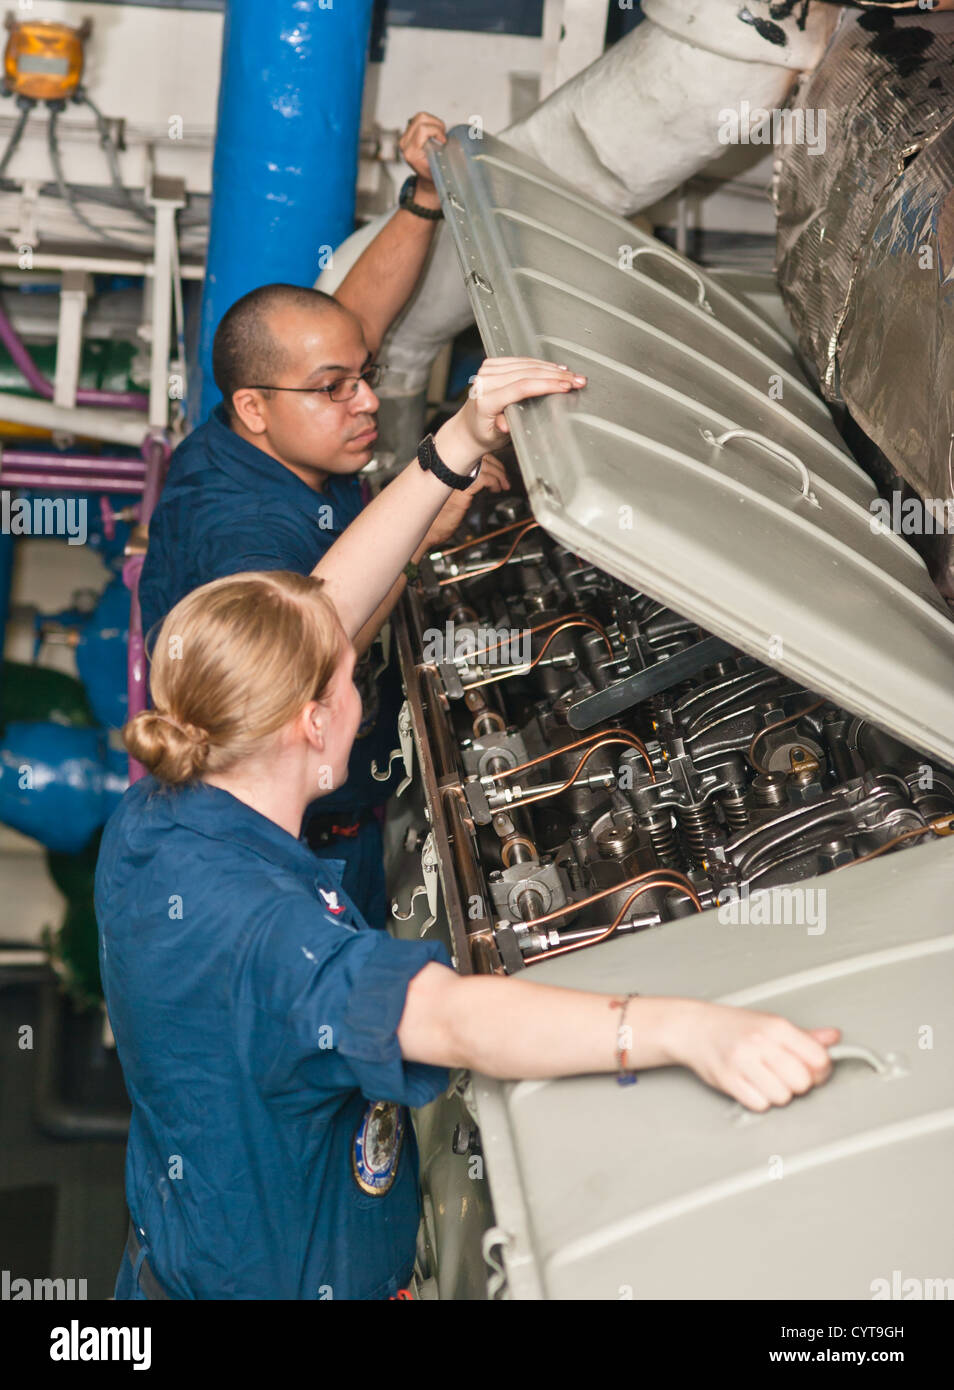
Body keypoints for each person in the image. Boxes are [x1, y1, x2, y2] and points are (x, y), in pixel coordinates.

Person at [97, 360, 841, 1299]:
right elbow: (454, 1017)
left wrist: (457, 443)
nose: (356, 677)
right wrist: (688, 1030)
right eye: (346, 679)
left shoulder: (156, 817)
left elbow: (328, 604)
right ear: (311, 722)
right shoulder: (271, 943)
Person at [138, 111, 495, 924]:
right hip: (298, 850)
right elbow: (300, 668)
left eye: (362, 376)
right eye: (336, 388)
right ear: (256, 408)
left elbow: (353, 320)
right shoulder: (240, 533)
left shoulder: (264, 425)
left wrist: (424, 198)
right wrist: (417, 537)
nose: (366, 400)